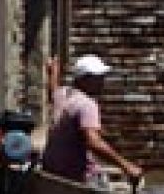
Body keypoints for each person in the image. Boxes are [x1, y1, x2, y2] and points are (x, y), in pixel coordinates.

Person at [43, 53, 145, 184]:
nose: (102, 82)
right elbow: (94, 143)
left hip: (51, 171)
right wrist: (126, 166)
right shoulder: (87, 105)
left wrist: (53, 73)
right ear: (85, 79)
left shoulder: (62, 94)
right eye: (98, 78)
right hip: (73, 176)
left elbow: (53, 89)